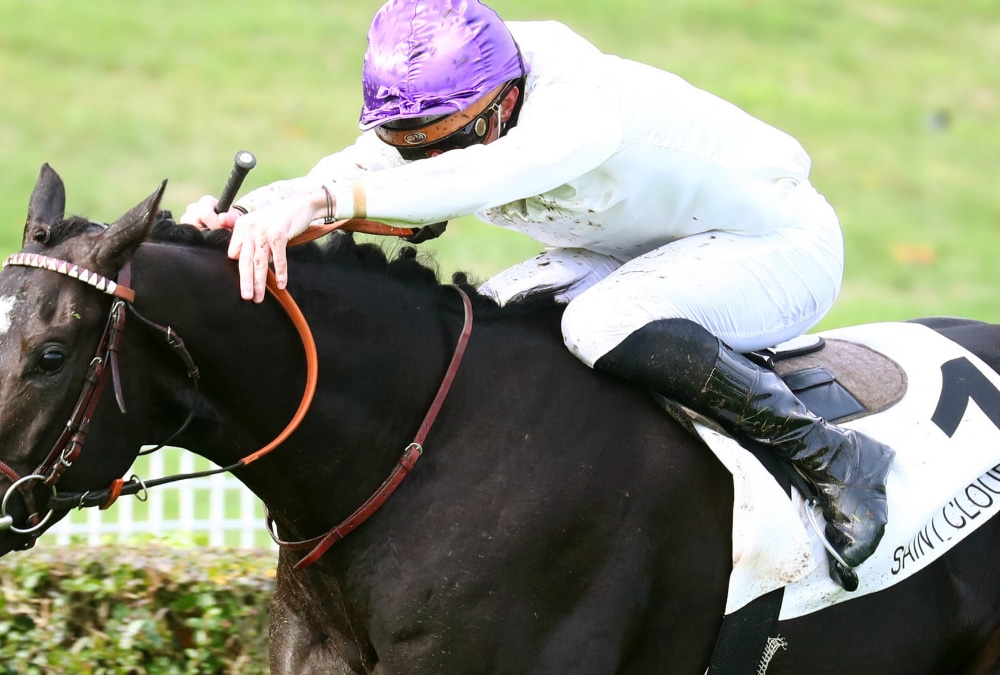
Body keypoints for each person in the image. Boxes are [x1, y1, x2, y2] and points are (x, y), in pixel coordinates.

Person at [181, 0, 894, 583]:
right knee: (493, 325)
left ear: (506, 103)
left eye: (442, 142)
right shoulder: (454, 102)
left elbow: (474, 179)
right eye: (408, 146)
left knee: (599, 323)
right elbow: (354, 171)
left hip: (776, 245)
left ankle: (833, 457)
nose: (424, 158)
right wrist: (245, 215)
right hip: (631, 247)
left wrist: (325, 202)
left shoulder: (578, 107)